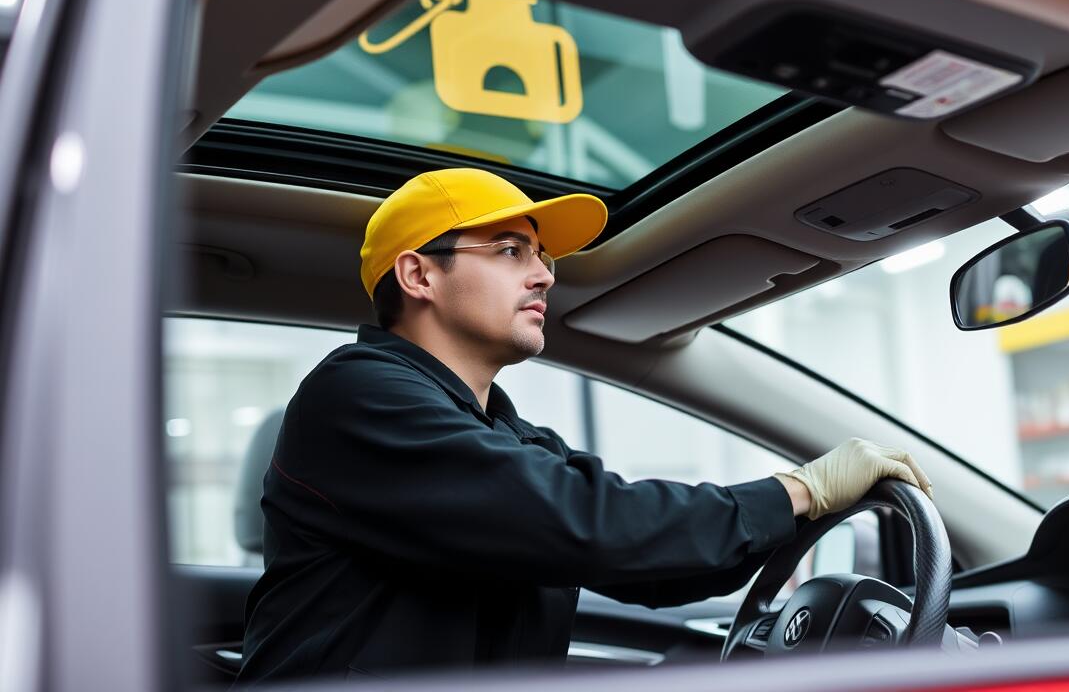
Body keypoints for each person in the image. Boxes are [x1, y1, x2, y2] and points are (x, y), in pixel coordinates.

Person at [236, 168, 933, 683]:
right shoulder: (357, 397)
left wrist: (800, 508)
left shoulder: (497, 428)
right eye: (510, 250)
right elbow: (591, 523)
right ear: (419, 275)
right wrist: (801, 490)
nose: (543, 275)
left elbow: (642, 559)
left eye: (542, 257)